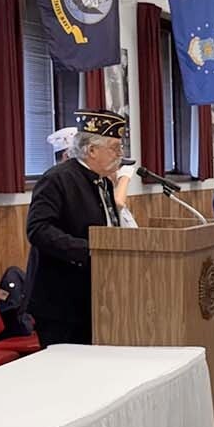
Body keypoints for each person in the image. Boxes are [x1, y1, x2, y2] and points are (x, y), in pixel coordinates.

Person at [26, 108, 130, 346]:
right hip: (61, 300)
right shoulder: (57, 179)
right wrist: (90, 250)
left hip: (97, 295)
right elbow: (38, 229)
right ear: (91, 150)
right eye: (115, 147)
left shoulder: (102, 180)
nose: (121, 154)